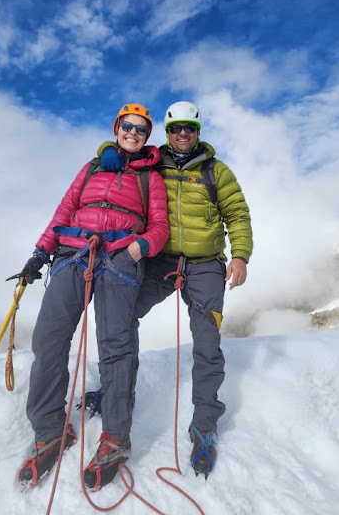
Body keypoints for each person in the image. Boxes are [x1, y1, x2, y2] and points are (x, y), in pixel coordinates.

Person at [90, 100, 253, 479]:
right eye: (176, 128)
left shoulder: (216, 170)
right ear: (167, 132)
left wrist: (240, 256)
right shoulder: (153, 161)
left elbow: (237, 213)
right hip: (160, 260)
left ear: (198, 132)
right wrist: (106, 152)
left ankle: (205, 424)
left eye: (189, 129)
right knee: (122, 317)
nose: (183, 134)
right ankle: (118, 392)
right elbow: (120, 152)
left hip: (205, 264)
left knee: (207, 340)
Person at [15, 103, 169, 490]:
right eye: (128, 126)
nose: (133, 132)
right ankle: (50, 430)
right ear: (117, 128)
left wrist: (140, 247)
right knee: (48, 339)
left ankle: (116, 439)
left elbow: (161, 227)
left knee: (116, 345)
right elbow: (64, 212)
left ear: (147, 136)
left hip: (120, 257)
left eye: (141, 129)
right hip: (73, 254)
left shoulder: (152, 177)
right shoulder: (90, 168)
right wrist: (39, 252)